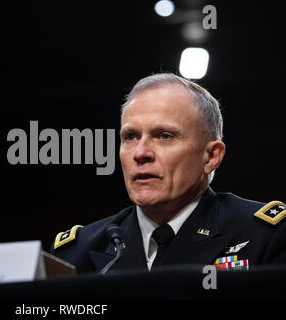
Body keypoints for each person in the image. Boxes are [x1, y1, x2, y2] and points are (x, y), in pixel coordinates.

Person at [50, 73, 285, 273]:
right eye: (130, 137)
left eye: (164, 136)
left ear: (211, 156)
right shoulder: (75, 251)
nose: (140, 153)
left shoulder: (266, 236)